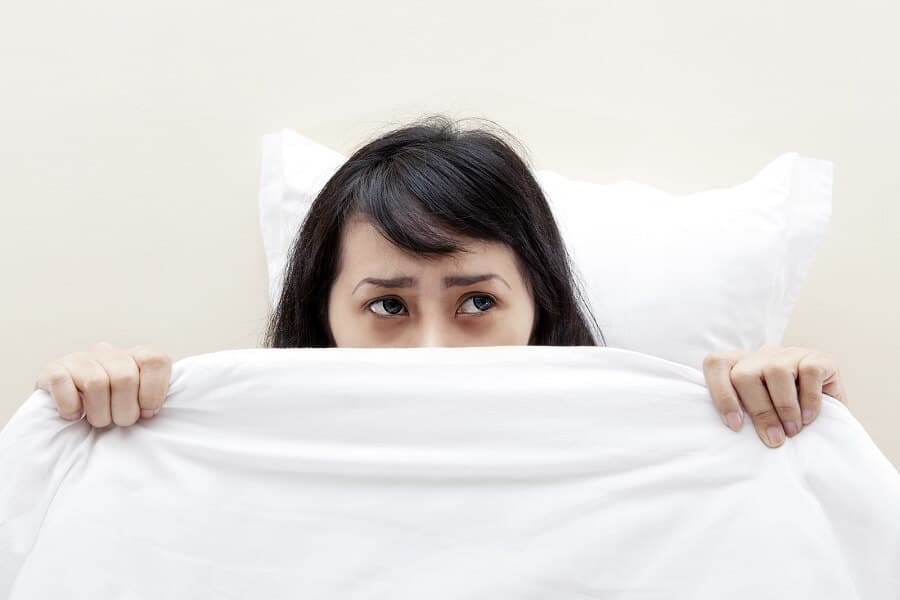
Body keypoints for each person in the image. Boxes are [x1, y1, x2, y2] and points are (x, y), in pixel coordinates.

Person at [33, 115, 848, 449]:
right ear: (323, 312)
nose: (432, 347)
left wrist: (774, 415)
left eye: (477, 303)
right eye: (387, 304)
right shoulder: (231, 444)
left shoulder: (658, 443)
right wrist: (93, 416)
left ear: (540, 306)